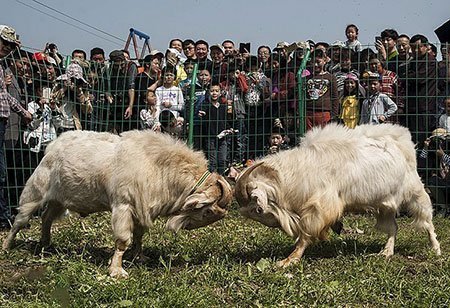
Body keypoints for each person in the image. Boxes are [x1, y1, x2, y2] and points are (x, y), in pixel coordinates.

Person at [0, 25, 32, 229]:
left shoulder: (2, 67)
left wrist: (22, 111)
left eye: (11, 46)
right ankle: (3, 217)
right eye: (5, 43)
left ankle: (3, 216)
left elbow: (5, 96)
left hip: (2, 121)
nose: (8, 48)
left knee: (2, 171)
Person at [405, 34, 438, 143]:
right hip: (413, 105)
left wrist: (409, 76)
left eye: (419, 47)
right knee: (412, 137)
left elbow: (420, 78)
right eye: (413, 47)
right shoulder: (413, 62)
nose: (416, 50)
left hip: (425, 106)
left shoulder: (431, 61)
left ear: (426, 46)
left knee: (423, 138)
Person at [198, 83, 229, 174]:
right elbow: (201, 113)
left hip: (223, 137)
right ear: (208, 92)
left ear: (220, 93)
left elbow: (227, 120)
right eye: (212, 91)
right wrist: (202, 114)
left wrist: (229, 129)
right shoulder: (205, 105)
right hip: (210, 137)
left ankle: (222, 178)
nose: (214, 93)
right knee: (212, 162)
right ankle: (213, 180)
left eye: (216, 91)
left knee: (222, 160)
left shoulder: (223, 106)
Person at [305, 49, 339, 129]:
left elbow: (335, 97)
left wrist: (334, 115)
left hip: (324, 112)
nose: (316, 65)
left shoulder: (330, 77)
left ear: (324, 61)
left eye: (318, 62)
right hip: (308, 112)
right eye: (313, 62)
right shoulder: (306, 77)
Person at [155, 66, 185, 135]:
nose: (169, 77)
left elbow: (181, 106)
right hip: (162, 118)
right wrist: (157, 121)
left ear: (174, 77)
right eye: (166, 75)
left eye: (171, 75)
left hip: (174, 119)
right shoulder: (158, 90)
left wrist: (171, 106)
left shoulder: (177, 90)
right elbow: (157, 107)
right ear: (163, 76)